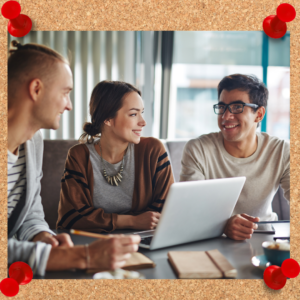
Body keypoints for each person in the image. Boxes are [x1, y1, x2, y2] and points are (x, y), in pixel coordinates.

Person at [8, 40, 140, 276]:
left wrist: (43, 236)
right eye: (65, 93)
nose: (69, 105)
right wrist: (81, 256)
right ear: (36, 89)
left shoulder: (33, 142)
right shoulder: (79, 155)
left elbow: (30, 214)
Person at [180, 74, 289, 241]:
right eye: (222, 107)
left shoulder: (281, 151)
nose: (226, 116)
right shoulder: (198, 149)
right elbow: (188, 210)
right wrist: (222, 225)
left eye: (237, 107)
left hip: (267, 238)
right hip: (213, 238)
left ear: (259, 114)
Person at [57, 81, 174, 233]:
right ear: (107, 119)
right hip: (96, 243)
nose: (143, 122)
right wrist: (132, 221)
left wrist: (98, 219)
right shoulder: (79, 156)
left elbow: (166, 211)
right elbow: (71, 217)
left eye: (142, 112)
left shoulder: (153, 150)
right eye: (133, 114)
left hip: (143, 239)